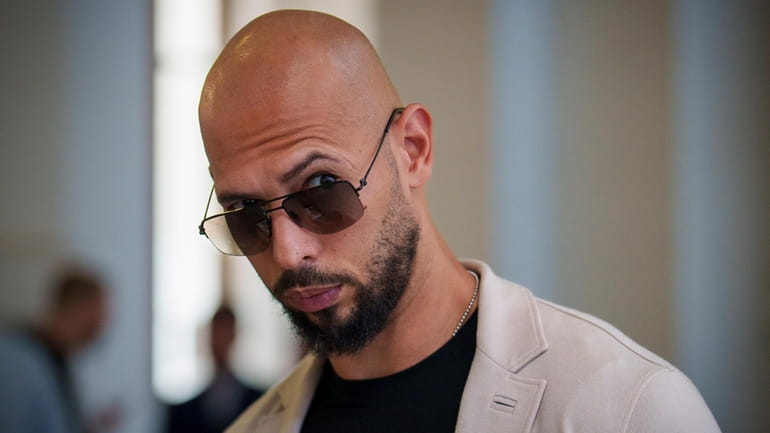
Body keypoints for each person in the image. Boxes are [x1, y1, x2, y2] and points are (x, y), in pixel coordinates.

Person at [196, 9, 721, 433]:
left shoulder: (628, 408)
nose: (288, 252)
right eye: (246, 216)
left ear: (413, 150)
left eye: (320, 189)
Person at [0, 266, 109, 433]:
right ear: (78, 309)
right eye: (96, 319)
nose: (100, 329)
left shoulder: (57, 359)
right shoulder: (17, 363)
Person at [166, 304, 263, 433]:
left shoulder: (260, 404)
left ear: (233, 336)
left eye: (225, 332)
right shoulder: (182, 412)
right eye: (216, 333)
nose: (220, 340)